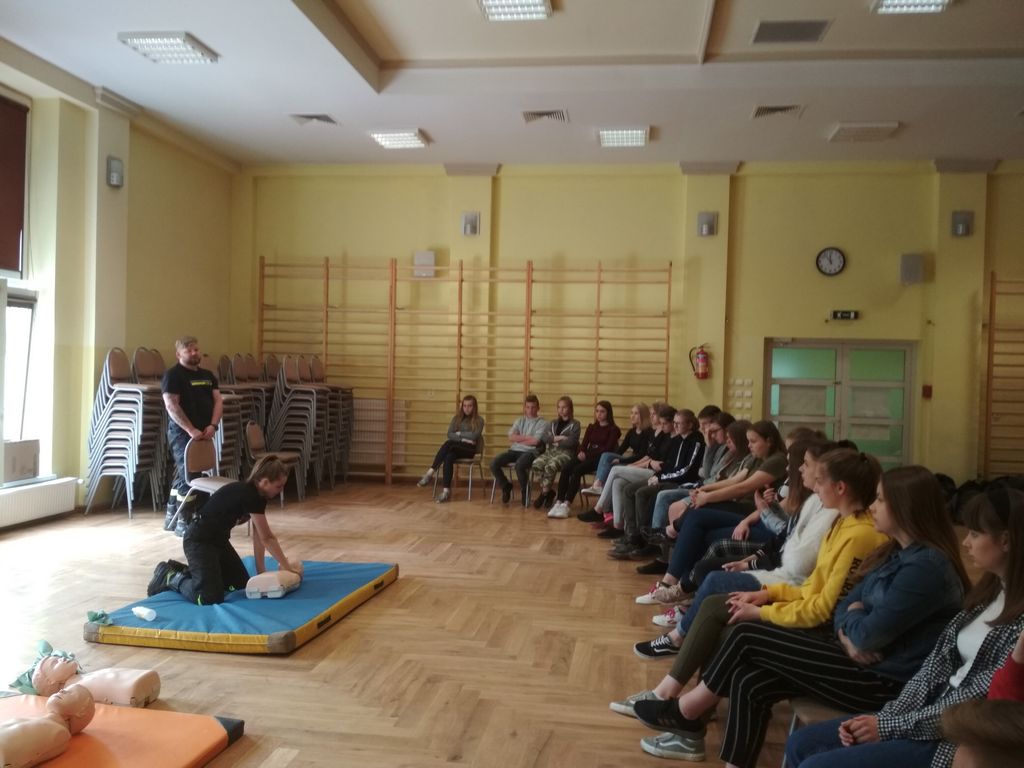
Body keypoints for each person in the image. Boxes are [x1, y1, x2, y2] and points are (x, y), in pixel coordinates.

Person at [632, 464, 971, 765]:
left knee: (745, 633)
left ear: (905, 507)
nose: (873, 506)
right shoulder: (895, 550)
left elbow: (866, 634)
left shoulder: (925, 568)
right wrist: (850, 627)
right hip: (851, 655)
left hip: (881, 681)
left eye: (881, 500)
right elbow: (847, 604)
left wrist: (851, 625)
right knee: (750, 679)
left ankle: (686, 711)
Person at [785, 486, 1024, 768]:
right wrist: (888, 718)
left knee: (815, 765)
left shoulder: (1014, 619)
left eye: (974, 533)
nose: (966, 542)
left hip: (953, 735)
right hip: (919, 713)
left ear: (1005, 541)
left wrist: (888, 726)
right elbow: (933, 668)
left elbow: (976, 697)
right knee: (801, 743)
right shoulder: (986, 595)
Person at [147, 455, 303, 605]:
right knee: (209, 598)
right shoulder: (249, 494)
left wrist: (261, 572)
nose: (280, 490)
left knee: (239, 585)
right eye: (278, 486)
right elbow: (268, 538)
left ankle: (194, 574)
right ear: (264, 482)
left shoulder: (259, 497)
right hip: (199, 541)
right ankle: (170, 576)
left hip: (218, 541)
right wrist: (287, 567)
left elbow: (259, 537)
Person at [161, 335, 223, 535]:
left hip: (205, 431)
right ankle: (184, 521)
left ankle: (171, 515)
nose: (194, 353)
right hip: (183, 433)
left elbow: (218, 401)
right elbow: (172, 405)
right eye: (189, 350)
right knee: (191, 475)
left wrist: (213, 425)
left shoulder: (207, 375)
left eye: (196, 349)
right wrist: (190, 430)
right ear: (179, 354)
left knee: (184, 474)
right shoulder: (173, 375)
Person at [547, 401, 620, 519]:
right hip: (587, 456)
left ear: (608, 413)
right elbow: (584, 443)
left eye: (602, 411)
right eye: (597, 411)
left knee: (577, 470)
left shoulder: (613, 429)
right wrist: (581, 451)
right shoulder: (592, 427)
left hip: (600, 459)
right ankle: (559, 502)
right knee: (566, 468)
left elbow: (607, 448)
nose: (599, 414)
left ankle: (567, 504)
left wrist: (587, 454)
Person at [0, 684, 94, 768]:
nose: (62, 690)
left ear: (81, 712)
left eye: (70, 693)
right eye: (63, 689)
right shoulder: (36, 719)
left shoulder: (60, 733)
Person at [416, 395, 485, 503]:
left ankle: (430, 473)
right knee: (448, 457)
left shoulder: (479, 420)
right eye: (465, 406)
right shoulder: (456, 418)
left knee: (449, 444)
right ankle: (446, 492)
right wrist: (464, 439)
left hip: (469, 450)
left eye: (470, 406)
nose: (467, 408)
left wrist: (459, 433)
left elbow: (474, 436)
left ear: (474, 407)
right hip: (456, 447)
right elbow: (449, 434)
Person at [490, 394, 548, 506]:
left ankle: (525, 490)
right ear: (525, 408)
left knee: (519, 465)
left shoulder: (543, 423)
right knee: (494, 463)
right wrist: (527, 438)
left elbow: (535, 442)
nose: (530, 410)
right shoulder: (520, 420)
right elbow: (511, 437)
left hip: (531, 452)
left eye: (533, 407)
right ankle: (506, 486)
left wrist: (519, 439)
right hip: (514, 450)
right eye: (528, 407)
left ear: (538, 408)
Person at [530, 396, 581, 510]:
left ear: (570, 408)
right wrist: (560, 438)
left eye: (564, 407)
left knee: (550, 466)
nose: (561, 410)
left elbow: (572, 442)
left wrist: (554, 440)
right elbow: (545, 438)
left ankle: (544, 493)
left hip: (566, 453)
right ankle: (548, 492)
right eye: (559, 407)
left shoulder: (575, 424)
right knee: (536, 464)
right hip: (551, 451)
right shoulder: (552, 423)